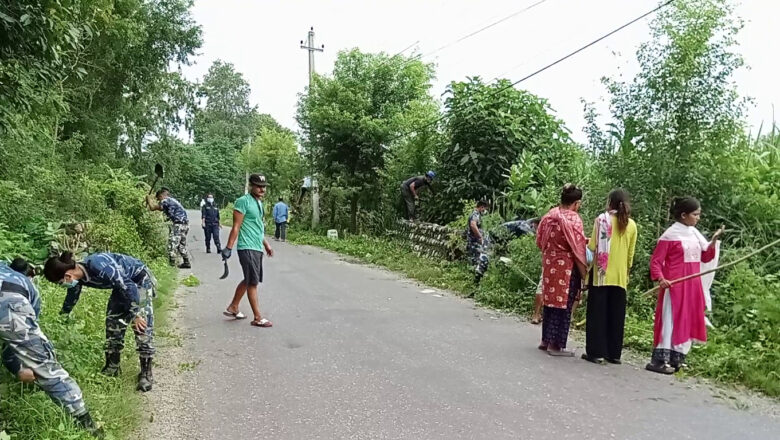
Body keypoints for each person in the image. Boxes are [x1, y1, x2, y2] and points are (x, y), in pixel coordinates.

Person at [0, 259, 103, 436]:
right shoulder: (25, 286)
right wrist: (18, 367)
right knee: (47, 368)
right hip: (9, 304)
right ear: (30, 276)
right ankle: (85, 423)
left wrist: (15, 367)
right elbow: (20, 343)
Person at [43, 252, 157, 392]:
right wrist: (63, 316)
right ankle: (112, 367)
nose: (62, 285)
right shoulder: (79, 278)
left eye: (60, 283)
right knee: (113, 323)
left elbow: (128, 286)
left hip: (138, 282)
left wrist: (136, 314)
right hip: (121, 286)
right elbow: (72, 296)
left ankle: (146, 373)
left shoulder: (99, 265)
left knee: (141, 326)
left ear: (68, 276)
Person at [645, 197, 723, 374]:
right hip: (674, 285)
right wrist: (661, 279)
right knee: (670, 319)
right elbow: (656, 261)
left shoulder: (694, 234)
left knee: (685, 319)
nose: (698, 218)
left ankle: (677, 356)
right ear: (683, 215)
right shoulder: (670, 235)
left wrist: (713, 242)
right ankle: (660, 359)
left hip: (691, 284)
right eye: (695, 214)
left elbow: (705, 257)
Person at [581, 189, 637, 365]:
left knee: (597, 314)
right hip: (620, 275)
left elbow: (592, 247)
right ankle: (613, 353)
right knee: (616, 315)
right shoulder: (631, 225)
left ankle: (595, 352)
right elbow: (630, 254)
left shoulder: (602, 220)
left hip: (601, 274)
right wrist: (626, 271)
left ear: (610, 202)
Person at [536, 184, 588, 356]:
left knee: (550, 301)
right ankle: (556, 345)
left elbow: (539, 241)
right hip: (567, 267)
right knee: (564, 304)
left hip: (549, 264)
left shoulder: (549, 216)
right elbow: (577, 248)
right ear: (577, 203)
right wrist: (584, 274)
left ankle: (545, 340)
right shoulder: (574, 219)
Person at [221, 173, 275, 328]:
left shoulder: (258, 203)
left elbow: (257, 227)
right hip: (247, 246)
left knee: (249, 278)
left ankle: (233, 306)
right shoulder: (243, 201)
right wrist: (229, 247)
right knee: (252, 282)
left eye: (264, 187)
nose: (262, 189)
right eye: (259, 186)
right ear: (251, 186)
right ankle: (257, 317)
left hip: (257, 247)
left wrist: (266, 244)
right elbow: (236, 226)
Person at [146, 187, 191, 268]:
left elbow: (153, 208)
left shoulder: (165, 200)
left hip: (178, 225)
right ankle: (186, 262)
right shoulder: (172, 200)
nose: (159, 201)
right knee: (181, 244)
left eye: (158, 198)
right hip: (185, 224)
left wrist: (148, 199)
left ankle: (172, 263)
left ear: (161, 196)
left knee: (172, 243)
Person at [466, 200, 490, 288]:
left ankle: (474, 283)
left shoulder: (477, 214)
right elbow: (473, 225)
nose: (484, 211)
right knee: (476, 261)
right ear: (481, 207)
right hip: (474, 243)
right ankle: (474, 283)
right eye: (484, 209)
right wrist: (480, 237)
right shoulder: (475, 214)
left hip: (475, 242)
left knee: (476, 261)